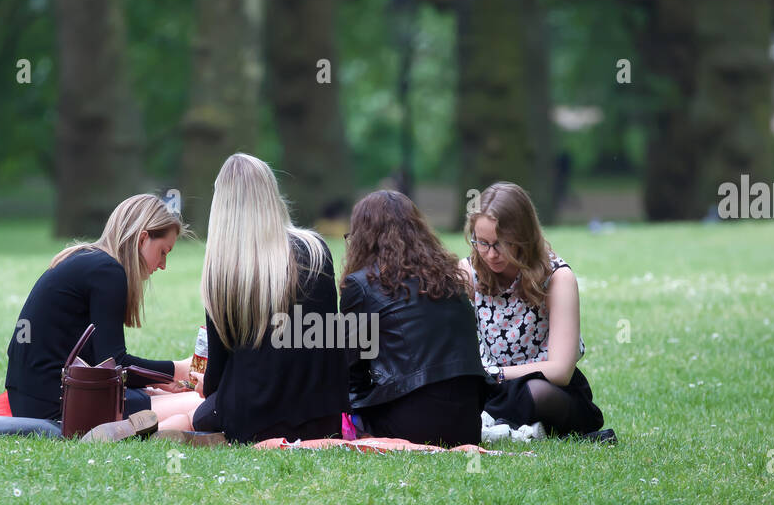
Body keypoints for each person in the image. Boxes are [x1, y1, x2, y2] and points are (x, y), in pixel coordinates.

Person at [184, 153, 348, 444]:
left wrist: (204, 386)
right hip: (321, 418)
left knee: (196, 414)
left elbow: (217, 375)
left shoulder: (223, 269)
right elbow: (328, 340)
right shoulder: (315, 250)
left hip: (252, 420)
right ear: (272, 194)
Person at [5, 194, 201, 428]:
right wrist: (176, 370)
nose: (163, 265)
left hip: (29, 398)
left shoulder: (88, 260)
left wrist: (158, 381)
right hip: (58, 406)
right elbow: (115, 364)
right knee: (198, 402)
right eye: (163, 252)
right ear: (143, 239)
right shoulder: (108, 273)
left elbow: (101, 364)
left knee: (161, 395)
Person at [461, 182, 612, 441]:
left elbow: (560, 371)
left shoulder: (557, 277)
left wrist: (495, 374)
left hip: (546, 389)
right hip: (490, 388)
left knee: (534, 393)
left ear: (523, 237)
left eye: (501, 244)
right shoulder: (468, 272)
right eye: (481, 243)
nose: (490, 254)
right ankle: (512, 428)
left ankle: (492, 424)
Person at [339, 190, 486, 446]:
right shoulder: (449, 276)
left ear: (362, 237)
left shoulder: (360, 285)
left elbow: (352, 372)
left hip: (413, 424)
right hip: (468, 423)